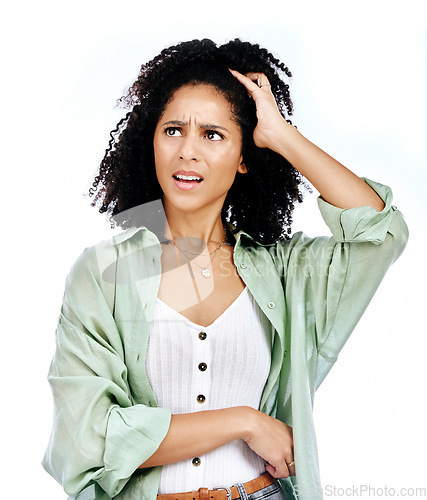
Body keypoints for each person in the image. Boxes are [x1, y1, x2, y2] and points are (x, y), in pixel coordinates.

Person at [42, 39, 408, 500]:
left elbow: (381, 231)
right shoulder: (102, 273)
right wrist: (244, 422)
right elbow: (89, 437)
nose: (187, 151)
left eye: (212, 135)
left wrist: (279, 134)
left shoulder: (282, 270)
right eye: (172, 130)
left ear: (243, 158)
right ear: (150, 141)